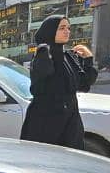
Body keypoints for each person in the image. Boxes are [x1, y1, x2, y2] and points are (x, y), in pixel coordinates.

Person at [19, 15, 97, 150]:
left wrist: (88, 58)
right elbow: (39, 84)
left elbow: (84, 84)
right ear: (50, 31)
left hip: (70, 120)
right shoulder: (43, 54)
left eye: (68, 28)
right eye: (62, 28)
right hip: (47, 121)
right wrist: (44, 50)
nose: (67, 31)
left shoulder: (68, 56)